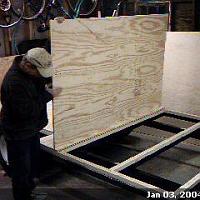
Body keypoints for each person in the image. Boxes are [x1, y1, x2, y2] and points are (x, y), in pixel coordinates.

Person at [0, 48, 62, 200]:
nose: (41, 75)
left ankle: (29, 193)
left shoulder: (29, 70)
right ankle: (23, 197)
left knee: (32, 166)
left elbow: (39, 82)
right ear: (28, 65)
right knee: (21, 171)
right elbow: (26, 111)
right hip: (18, 133)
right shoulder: (14, 83)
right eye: (39, 72)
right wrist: (48, 95)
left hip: (31, 128)